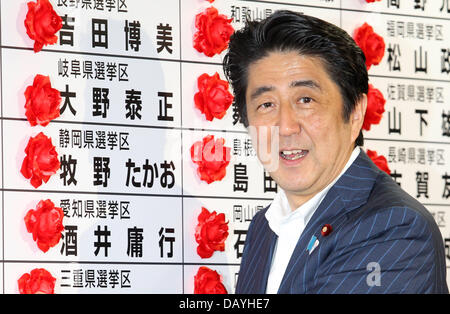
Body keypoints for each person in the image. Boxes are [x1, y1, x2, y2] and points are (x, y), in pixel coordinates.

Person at [223, 10, 448, 294]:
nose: (286, 127)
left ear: (354, 113)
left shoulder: (394, 227)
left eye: (306, 99)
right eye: (266, 104)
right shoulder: (264, 226)